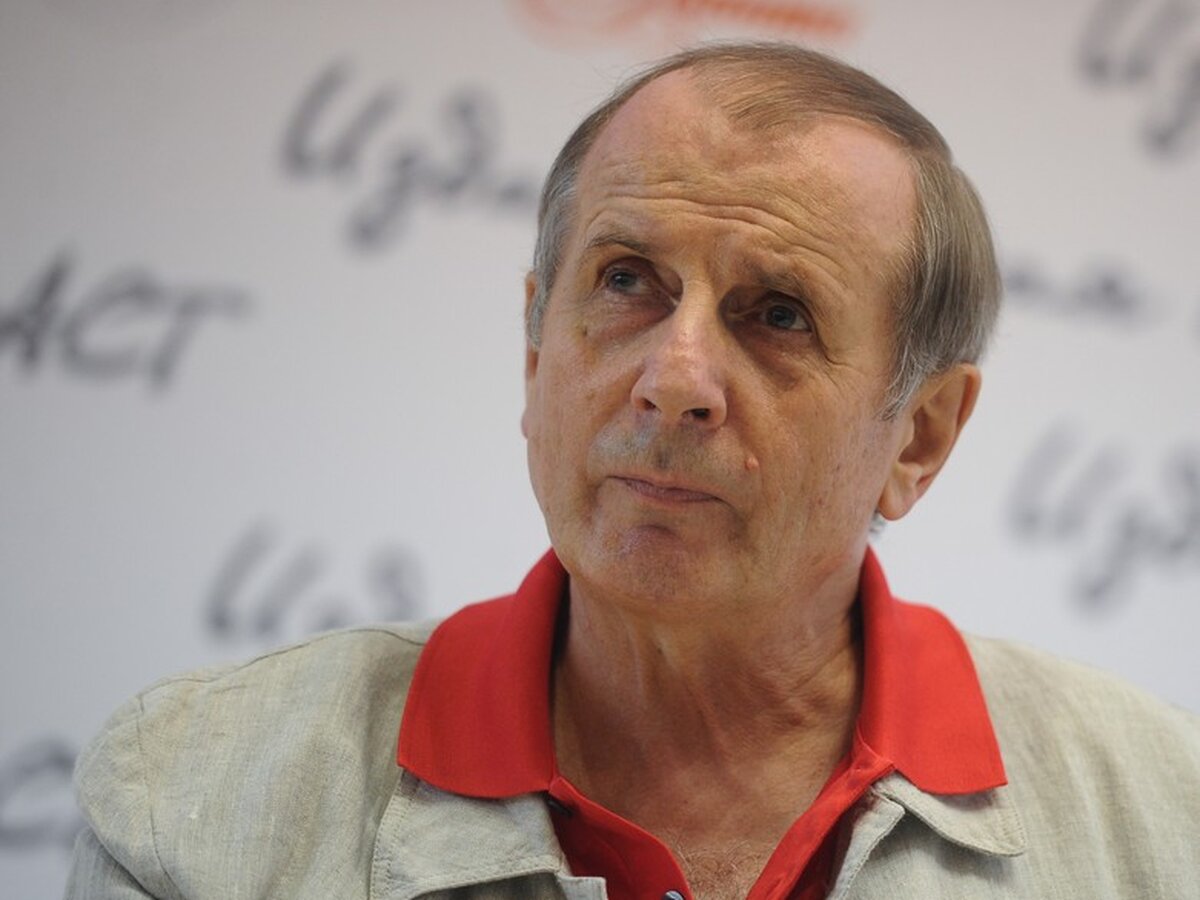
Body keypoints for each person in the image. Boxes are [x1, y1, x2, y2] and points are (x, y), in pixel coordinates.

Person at [67, 43, 1200, 900]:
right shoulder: (190, 800)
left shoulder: (1166, 818)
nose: (675, 378)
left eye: (779, 313)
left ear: (920, 438)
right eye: (625, 282)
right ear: (534, 352)